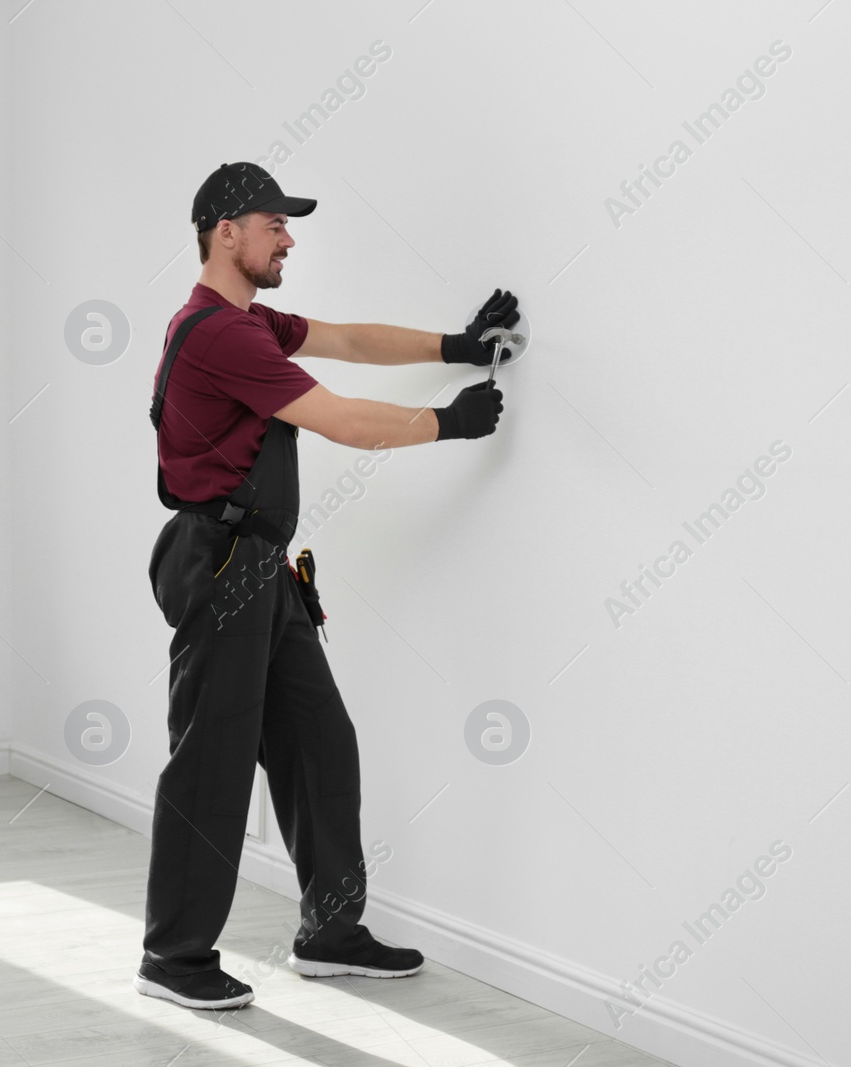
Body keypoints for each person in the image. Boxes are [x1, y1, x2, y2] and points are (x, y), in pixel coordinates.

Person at [136, 160, 521, 1010]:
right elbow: (342, 416)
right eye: (275, 222)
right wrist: (446, 423)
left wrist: (454, 346)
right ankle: (174, 955)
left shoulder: (249, 321)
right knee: (215, 760)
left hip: (262, 565)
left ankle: (331, 931)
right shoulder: (219, 333)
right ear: (224, 232)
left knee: (318, 740)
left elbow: (347, 338)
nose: (289, 235)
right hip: (223, 562)